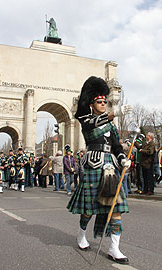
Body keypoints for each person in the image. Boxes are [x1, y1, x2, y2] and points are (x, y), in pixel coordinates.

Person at [67, 76, 131, 265]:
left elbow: (117, 147)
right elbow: (91, 126)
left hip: (110, 168)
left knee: (116, 209)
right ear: (92, 103)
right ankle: (81, 234)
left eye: (105, 101)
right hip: (94, 166)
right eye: (100, 101)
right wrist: (114, 112)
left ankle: (114, 248)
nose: (103, 103)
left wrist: (122, 159)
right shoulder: (86, 119)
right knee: (89, 210)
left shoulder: (111, 126)